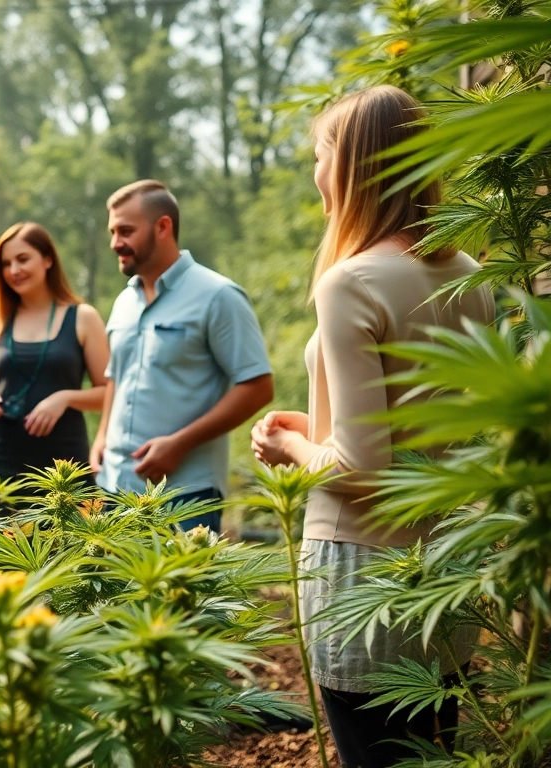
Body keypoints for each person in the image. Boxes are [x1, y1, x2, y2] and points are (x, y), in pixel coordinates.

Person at [250, 86, 494, 768]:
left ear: (355, 165)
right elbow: (426, 423)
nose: (316, 173)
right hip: (450, 562)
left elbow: (362, 469)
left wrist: (290, 444)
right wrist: (316, 424)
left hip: (365, 581)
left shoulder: (350, 282)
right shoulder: (470, 274)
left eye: (321, 155)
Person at [89, 180, 273, 532]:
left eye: (125, 231)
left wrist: (179, 444)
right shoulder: (123, 302)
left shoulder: (219, 296)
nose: (115, 243)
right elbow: (117, 376)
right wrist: (101, 437)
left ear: (163, 227)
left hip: (186, 495)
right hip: (113, 489)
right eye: (112, 232)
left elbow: (259, 387)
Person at [0, 222, 110, 482]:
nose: (14, 270)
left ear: (47, 260)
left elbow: (107, 393)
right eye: (5, 263)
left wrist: (64, 398)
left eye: (23, 259)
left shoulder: (83, 317)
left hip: (63, 463)